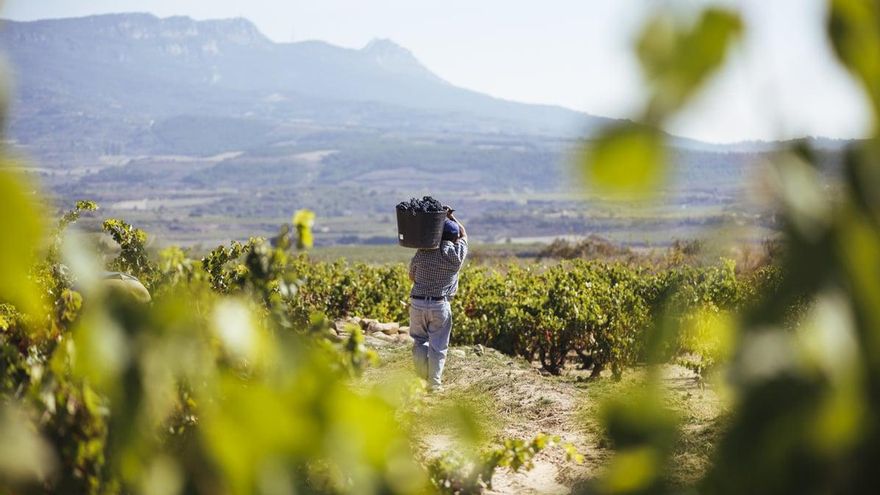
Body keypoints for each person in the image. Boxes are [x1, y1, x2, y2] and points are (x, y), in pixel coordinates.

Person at [408, 207, 468, 392]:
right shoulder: (456, 256)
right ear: (454, 238)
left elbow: (411, 276)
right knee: (438, 346)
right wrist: (451, 216)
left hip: (417, 302)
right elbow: (464, 234)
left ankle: (420, 381)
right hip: (440, 305)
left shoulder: (422, 252)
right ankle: (434, 384)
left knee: (420, 341)